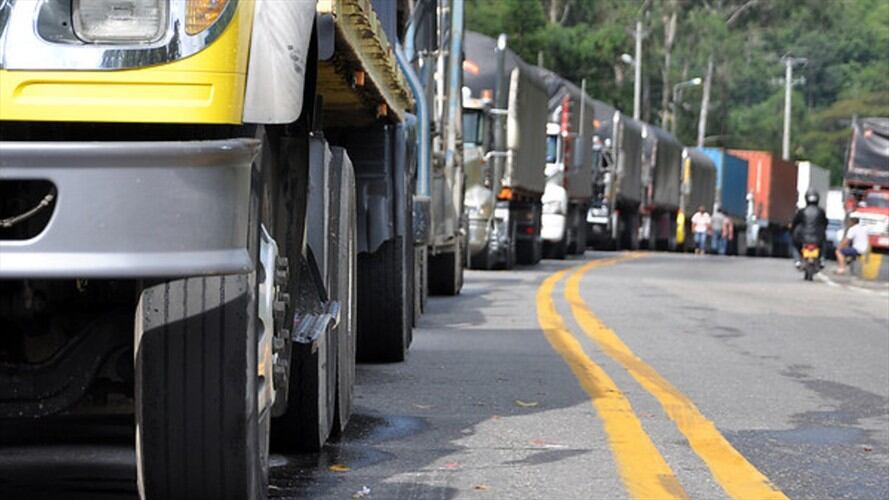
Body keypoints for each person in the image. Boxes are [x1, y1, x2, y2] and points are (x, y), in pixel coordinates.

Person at [791, 190, 827, 268]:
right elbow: (825, 223)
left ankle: (797, 260)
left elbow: (795, 222)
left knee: (794, 245)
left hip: (803, 238)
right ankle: (822, 260)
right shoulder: (821, 211)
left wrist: (792, 231)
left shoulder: (802, 211)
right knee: (823, 245)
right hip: (818, 238)